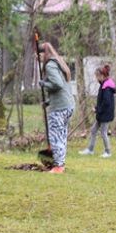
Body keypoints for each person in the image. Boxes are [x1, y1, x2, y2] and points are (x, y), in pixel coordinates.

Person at [38, 41, 75, 174]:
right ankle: (61, 163)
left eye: (39, 55)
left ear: (44, 53)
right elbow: (62, 89)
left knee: (56, 136)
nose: (38, 58)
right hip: (67, 105)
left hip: (59, 108)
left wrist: (44, 84)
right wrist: (48, 102)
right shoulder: (58, 63)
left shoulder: (50, 65)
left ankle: (58, 166)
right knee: (62, 136)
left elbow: (58, 84)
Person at [79, 65, 115, 158]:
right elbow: (102, 101)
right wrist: (96, 107)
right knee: (93, 130)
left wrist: (97, 109)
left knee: (103, 132)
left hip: (105, 114)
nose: (96, 78)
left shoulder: (107, 87)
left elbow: (107, 103)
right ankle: (90, 150)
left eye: (97, 76)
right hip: (101, 113)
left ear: (102, 76)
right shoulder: (103, 85)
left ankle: (108, 152)